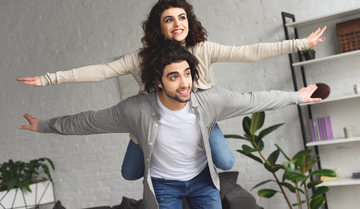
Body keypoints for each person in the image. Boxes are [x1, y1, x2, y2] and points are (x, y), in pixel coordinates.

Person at [16, 0, 326, 181]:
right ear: (159, 26)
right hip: (153, 121)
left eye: (182, 17)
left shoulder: (203, 49)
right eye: (169, 19)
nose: (177, 23)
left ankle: (190, 172)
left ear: (189, 21)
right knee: (129, 173)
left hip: (199, 117)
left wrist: (300, 43)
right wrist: (48, 78)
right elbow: (100, 71)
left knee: (226, 162)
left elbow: (250, 51)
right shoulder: (139, 59)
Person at [19, 40, 321, 209]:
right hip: (163, 186)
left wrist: (296, 96)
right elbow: (89, 121)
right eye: (174, 76)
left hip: (203, 181)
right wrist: (44, 125)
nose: (184, 82)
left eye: (187, 73)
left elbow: (253, 99)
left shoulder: (209, 100)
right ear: (158, 81)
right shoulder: (136, 109)